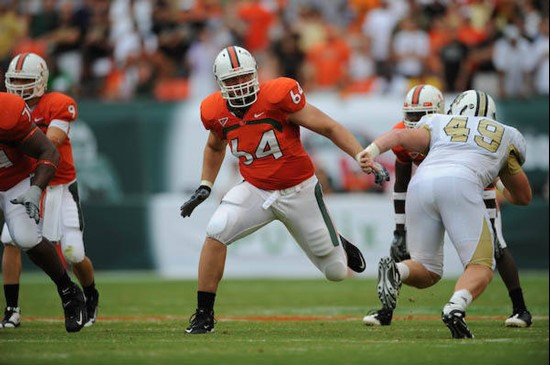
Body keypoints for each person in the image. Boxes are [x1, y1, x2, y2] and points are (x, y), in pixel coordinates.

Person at [180, 45, 388, 334]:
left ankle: (336, 239)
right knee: (216, 230)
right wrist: (205, 185)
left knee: (337, 272)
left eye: (243, 78)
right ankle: (204, 315)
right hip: (255, 188)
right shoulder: (214, 109)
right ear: (220, 84)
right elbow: (215, 145)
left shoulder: (278, 95)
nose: (239, 85)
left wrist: (360, 155)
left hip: (299, 190)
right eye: (231, 80)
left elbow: (328, 126)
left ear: (255, 74)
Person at [356, 89, 532, 339]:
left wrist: (371, 152)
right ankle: (456, 307)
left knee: (426, 268)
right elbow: (524, 197)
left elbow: (398, 137)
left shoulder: (438, 122)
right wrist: (502, 178)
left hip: (423, 184)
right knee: (483, 262)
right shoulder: (504, 133)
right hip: (466, 184)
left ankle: (399, 272)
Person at [1, 53, 99, 329]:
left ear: (41, 81)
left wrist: (19, 132)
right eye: (15, 80)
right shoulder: (6, 106)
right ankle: (12, 309)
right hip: (24, 181)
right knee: (10, 239)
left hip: (58, 184)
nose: (20, 86)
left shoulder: (57, 104)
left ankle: (89, 294)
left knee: (72, 253)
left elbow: (51, 143)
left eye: (26, 80)